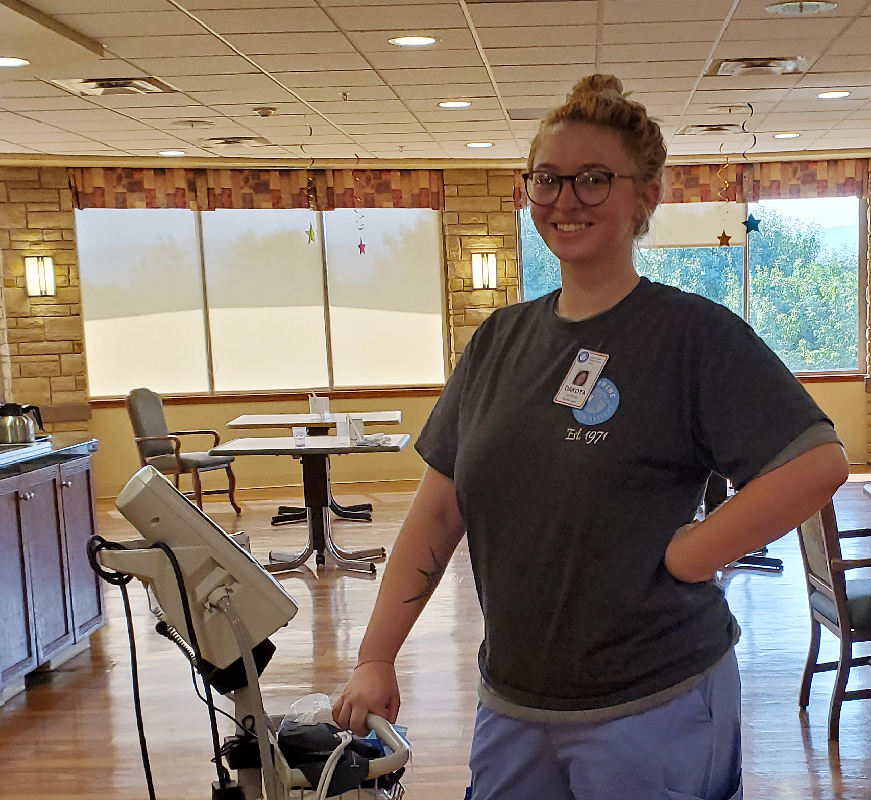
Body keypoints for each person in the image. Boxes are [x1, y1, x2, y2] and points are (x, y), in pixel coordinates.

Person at [332, 74, 848, 800]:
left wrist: (695, 551)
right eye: (547, 179)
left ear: (645, 196)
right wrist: (375, 655)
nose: (565, 199)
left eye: (593, 179)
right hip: (513, 700)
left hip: (654, 701)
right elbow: (439, 510)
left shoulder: (689, 334)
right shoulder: (497, 342)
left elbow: (817, 461)